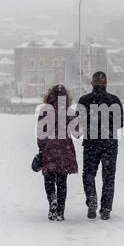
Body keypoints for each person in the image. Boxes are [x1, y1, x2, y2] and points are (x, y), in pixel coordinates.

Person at [78, 72, 124, 221]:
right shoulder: (114, 100)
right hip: (109, 144)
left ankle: (91, 198)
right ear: (106, 83)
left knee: (89, 174)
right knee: (109, 177)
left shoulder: (84, 100)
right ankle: (105, 209)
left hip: (91, 143)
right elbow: (121, 123)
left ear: (92, 84)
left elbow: (79, 121)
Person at [37, 85, 78, 221]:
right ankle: (60, 211)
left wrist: (41, 149)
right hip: (64, 149)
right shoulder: (68, 111)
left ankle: (52, 200)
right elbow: (77, 132)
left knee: (49, 178)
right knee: (62, 181)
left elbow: (40, 133)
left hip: (49, 148)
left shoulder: (45, 110)